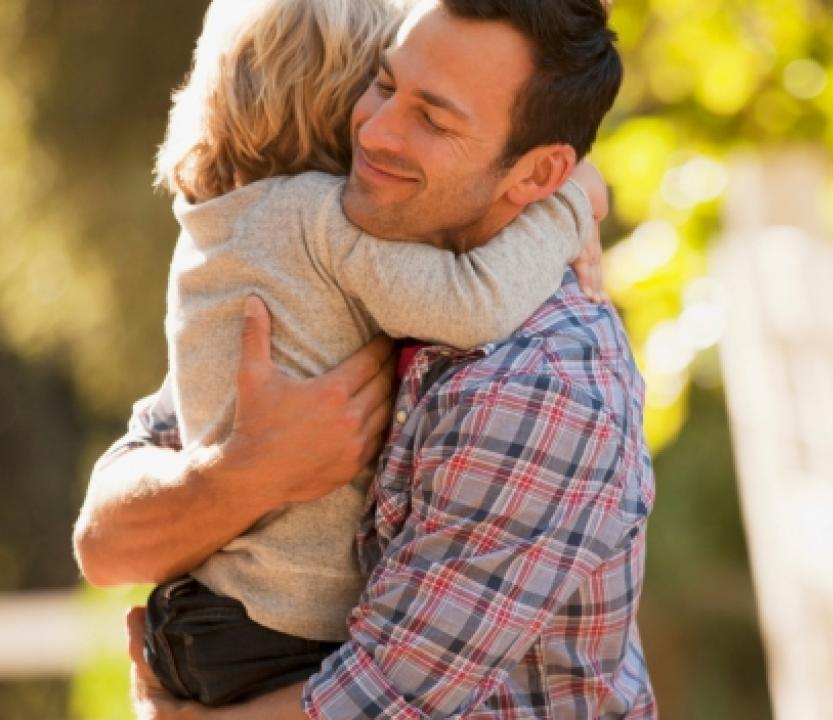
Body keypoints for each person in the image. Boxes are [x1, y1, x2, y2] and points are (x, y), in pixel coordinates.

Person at [73, 0, 657, 717]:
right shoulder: (319, 275)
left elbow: (388, 698)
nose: (375, 132)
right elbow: (104, 546)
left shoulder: (543, 381)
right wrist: (242, 472)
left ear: (538, 173)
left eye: (434, 119)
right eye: (383, 85)